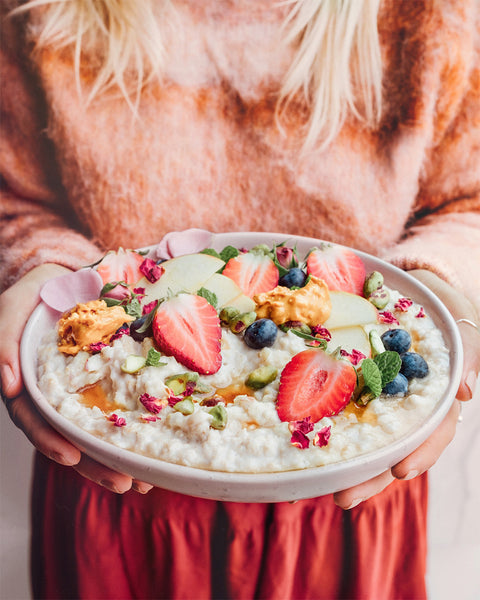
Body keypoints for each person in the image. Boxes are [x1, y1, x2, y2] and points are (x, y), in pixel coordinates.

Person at [1, 0, 479, 598]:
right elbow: (20, 199)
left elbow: (468, 203)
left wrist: (448, 291)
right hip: (114, 494)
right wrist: (40, 273)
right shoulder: (46, 12)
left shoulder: (431, 14)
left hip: (353, 502)